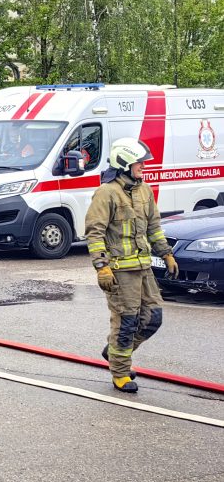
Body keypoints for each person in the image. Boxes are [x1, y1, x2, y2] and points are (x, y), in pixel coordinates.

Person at [84, 138, 178, 393]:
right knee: (126, 322)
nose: (143, 168)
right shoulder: (106, 193)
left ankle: (114, 354)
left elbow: (154, 227)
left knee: (152, 318)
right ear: (125, 163)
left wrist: (166, 253)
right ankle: (120, 372)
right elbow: (95, 233)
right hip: (118, 271)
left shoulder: (143, 190)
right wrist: (102, 267)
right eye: (139, 163)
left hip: (143, 268)